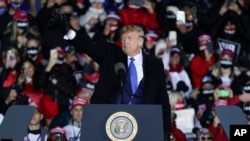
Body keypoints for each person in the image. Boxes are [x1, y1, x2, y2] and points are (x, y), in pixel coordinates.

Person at [50, 8, 171, 138]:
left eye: (129, 38)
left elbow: (162, 99)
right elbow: (89, 46)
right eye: (123, 38)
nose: (125, 41)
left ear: (140, 41)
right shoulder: (112, 54)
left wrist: (165, 131)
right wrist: (69, 31)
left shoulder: (154, 64)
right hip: (108, 120)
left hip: (142, 123)